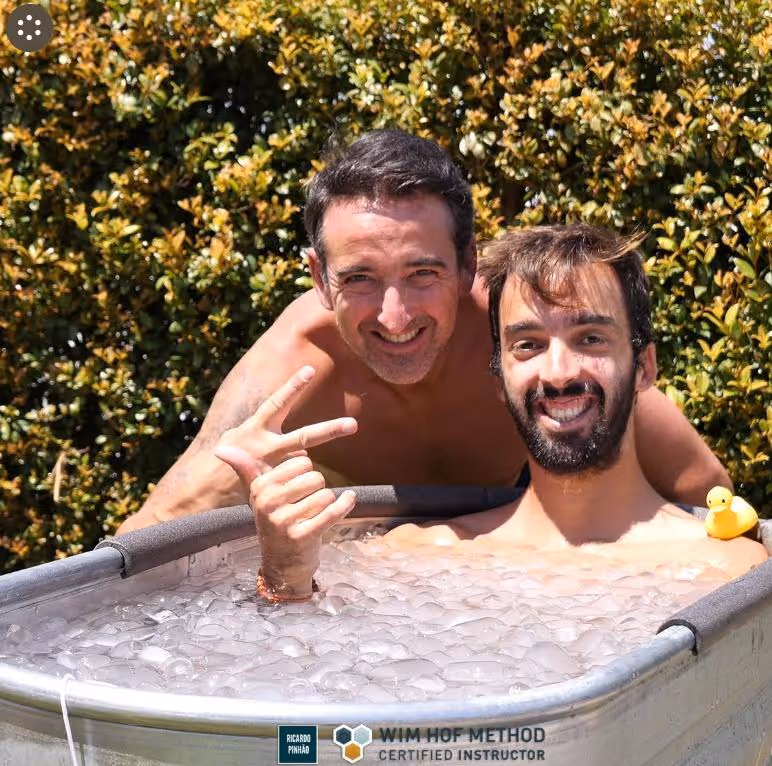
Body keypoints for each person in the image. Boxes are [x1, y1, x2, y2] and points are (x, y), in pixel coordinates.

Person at [116, 130, 730, 535]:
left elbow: (704, 492)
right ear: (318, 277)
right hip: (368, 588)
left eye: (422, 273)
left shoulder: (522, 332)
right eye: (358, 278)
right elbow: (149, 542)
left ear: (468, 264)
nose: (395, 316)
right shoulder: (294, 372)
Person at [217, 224, 766, 602]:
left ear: (644, 368)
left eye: (590, 338)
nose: (557, 371)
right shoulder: (415, 558)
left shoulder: (731, 577)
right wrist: (285, 575)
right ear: (499, 379)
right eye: (527, 346)